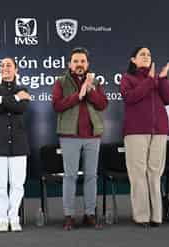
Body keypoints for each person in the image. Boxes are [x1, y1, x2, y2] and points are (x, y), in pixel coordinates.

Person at [52, 47, 108, 230]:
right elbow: (57, 105)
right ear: (70, 64)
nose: (79, 64)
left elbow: (102, 104)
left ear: (87, 64)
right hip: (70, 135)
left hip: (92, 136)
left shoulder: (95, 81)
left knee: (91, 176)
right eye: (76, 61)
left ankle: (89, 214)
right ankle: (69, 216)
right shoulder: (61, 82)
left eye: (82, 61)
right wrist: (79, 95)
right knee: (70, 176)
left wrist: (90, 90)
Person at [119, 47, 169, 227]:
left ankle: (156, 216)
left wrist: (163, 79)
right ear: (133, 59)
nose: (146, 57)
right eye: (142, 54)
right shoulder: (127, 78)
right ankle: (142, 216)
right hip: (136, 131)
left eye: (149, 55)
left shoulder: (158, 79)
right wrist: (150, 80)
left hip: (159, 131)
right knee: (138, 174)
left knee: (155, 173)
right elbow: (130, 97)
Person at [0, 57, 31, 232]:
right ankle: (2, 218)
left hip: (19, 142)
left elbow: (21, 109)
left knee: (18, 184)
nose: (5, 68)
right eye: (2, 65)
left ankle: (14, 217)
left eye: (9, 65)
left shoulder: (23, 89)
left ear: (16, 69)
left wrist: (1, 100)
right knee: (0, 184)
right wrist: (15, 98)